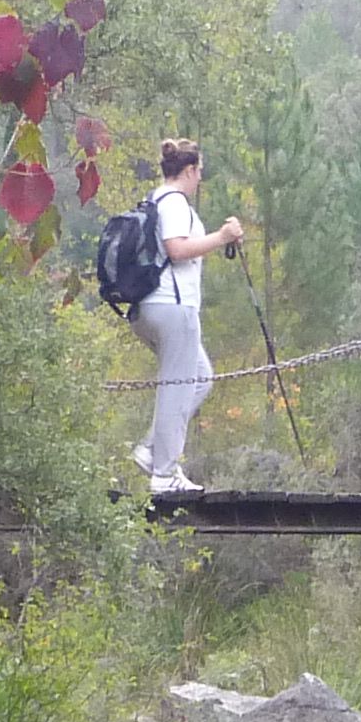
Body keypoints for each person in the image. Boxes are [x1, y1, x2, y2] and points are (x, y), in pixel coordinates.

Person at [133, 138, 242, 495]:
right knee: (177, 385)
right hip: (173, 307)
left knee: (199, 376)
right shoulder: (175, 203)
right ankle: (164, 475)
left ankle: (152, 449)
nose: (200, 179)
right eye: (200, 172)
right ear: (190, 170)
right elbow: (177, 249)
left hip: (147, 306)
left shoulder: (153, 199)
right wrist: (222, 236)